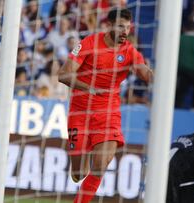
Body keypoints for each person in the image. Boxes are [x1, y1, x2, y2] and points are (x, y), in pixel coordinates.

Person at [58, 8, 153, 203]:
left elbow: (144, 73)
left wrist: (157, 74)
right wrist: (90, 88)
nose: (125, 31)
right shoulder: (88, 43)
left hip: (108, 113)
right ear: (109, 25)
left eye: (128, 27)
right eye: (120, 26)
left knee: (102, 163)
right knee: (79, 173)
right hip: (80, 112)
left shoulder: (130, 51)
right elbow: (64, 74)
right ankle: (78, 165)